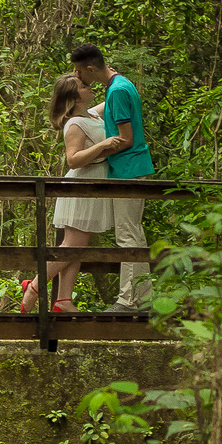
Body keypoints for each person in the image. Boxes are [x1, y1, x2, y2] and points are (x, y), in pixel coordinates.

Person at [19, 73, 122, 313]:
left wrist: (113, 77)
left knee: (75, 245)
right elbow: (73, 159)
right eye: (84, 86)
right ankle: (34, 287)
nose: (90, 86)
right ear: (75, 98)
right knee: (74, 244)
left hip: (93, 184)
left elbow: (112, 98)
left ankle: (63, 299)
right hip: (81, 185)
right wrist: (103, 145)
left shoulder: (91, 115)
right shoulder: (75, 124)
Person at [70, 42, 153, 313]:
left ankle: (127, 301)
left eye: (79, 72)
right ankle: (144, 299)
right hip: (133, 167)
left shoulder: (116, 91)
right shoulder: (120, 84)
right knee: (134, 235)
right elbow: (103, 114)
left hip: (127, 169)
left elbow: (126, 139)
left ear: (90, 69)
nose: (78, 76)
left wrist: (96, 154)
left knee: (127, 237)